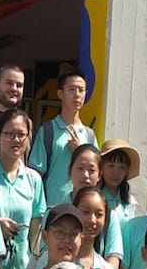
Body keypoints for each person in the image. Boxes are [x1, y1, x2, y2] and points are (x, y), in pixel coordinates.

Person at [0, 109, 46, 269]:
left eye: (21, 135)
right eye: (10, 134)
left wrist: (34, 267)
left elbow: (36, 229)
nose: (16, 140)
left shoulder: (33, 180)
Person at [29, 69, 98, 206]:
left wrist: (79, 152)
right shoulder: (47, 131)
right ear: (60, 94)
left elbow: (96, 174)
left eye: (81, 90)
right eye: (72, 89)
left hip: (82, 209)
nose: (77, 95)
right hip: (53, 208)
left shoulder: (89, 135)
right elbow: (35, 176)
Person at [99, 139, 141, 269]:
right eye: (111, 166)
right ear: (101, 167)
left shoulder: (130, 202)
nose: (116, 172)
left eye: (122, 167)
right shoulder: (95, 198)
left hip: (126, 267)